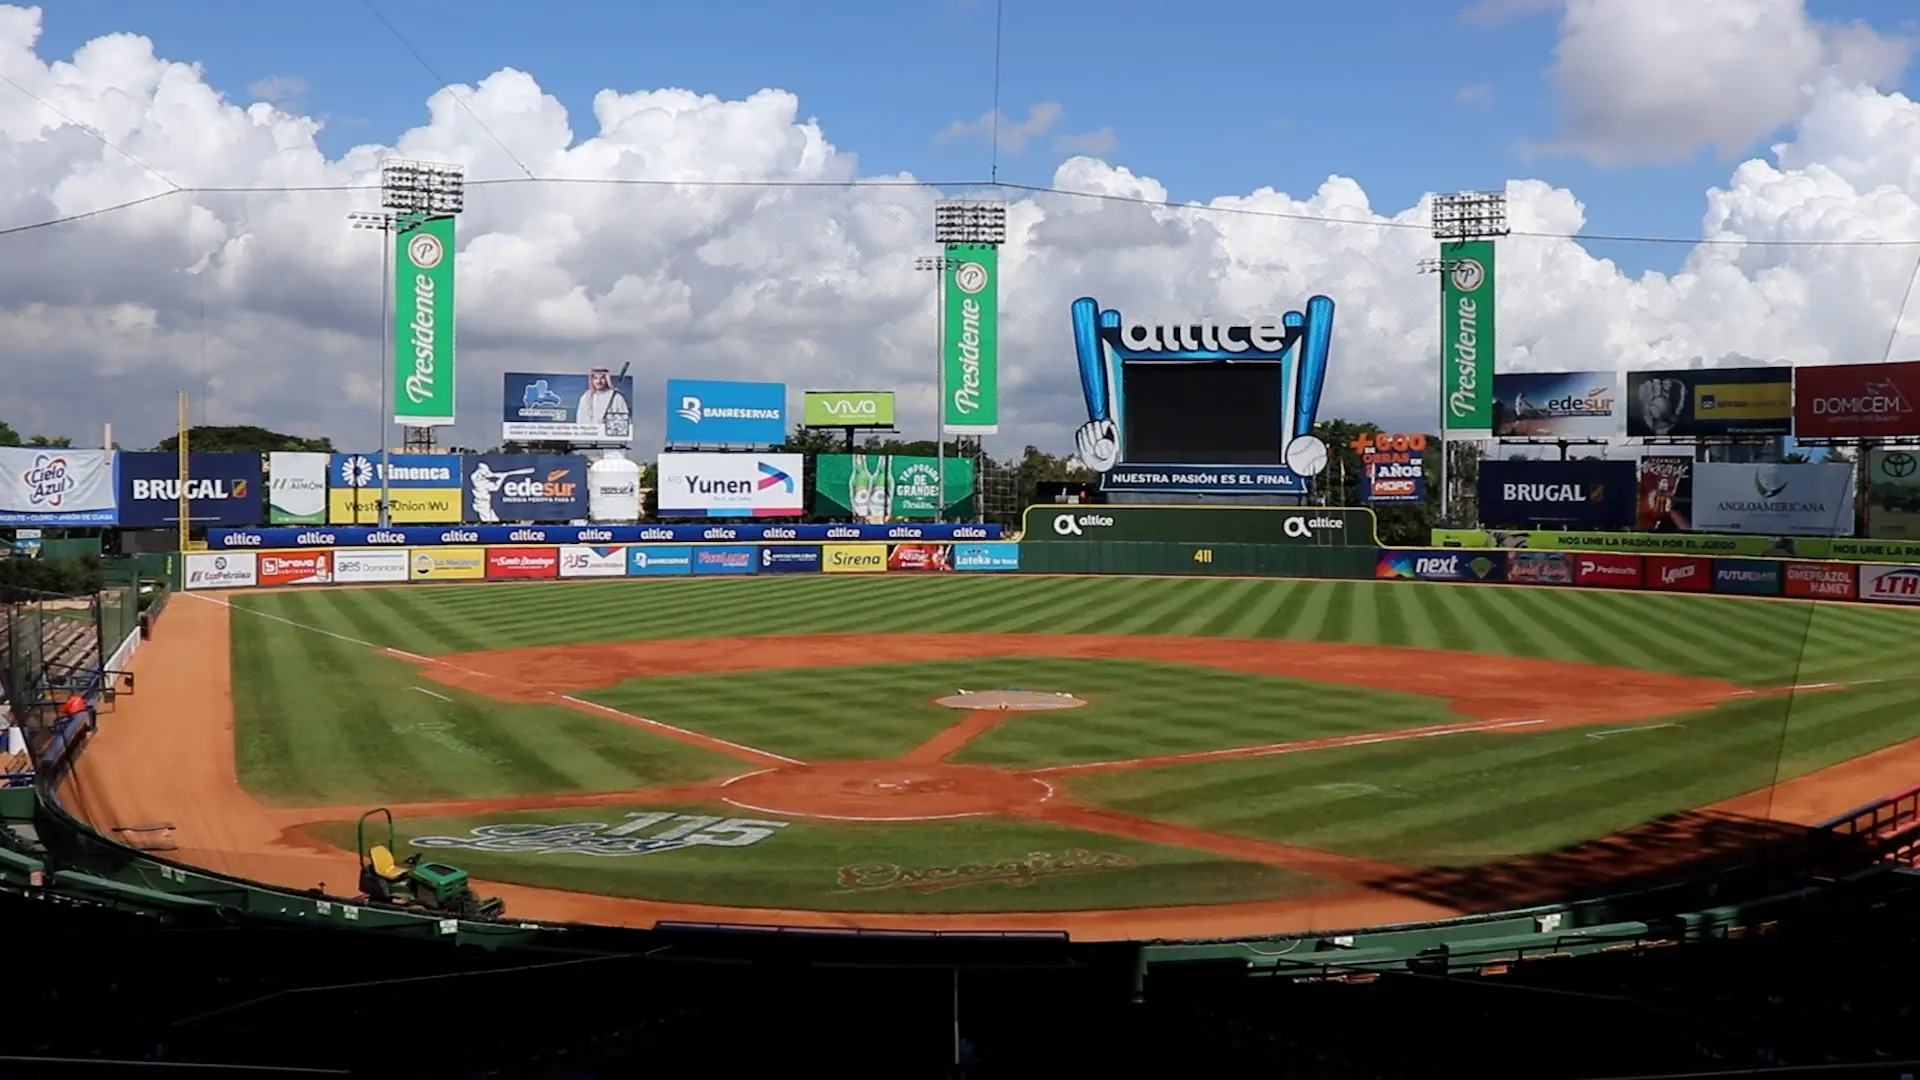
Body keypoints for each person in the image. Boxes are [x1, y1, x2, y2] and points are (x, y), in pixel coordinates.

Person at [575, 368, 630, 437]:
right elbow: (581, 419)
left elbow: (625, 420)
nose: (599, 381)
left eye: (602, 378)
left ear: (606, 379)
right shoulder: (586, 397)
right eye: (596, 378)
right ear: (592, 380)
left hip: (610, 436)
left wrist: (608, 423)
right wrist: (594, 428)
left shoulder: (617, 397)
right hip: (591, 435)